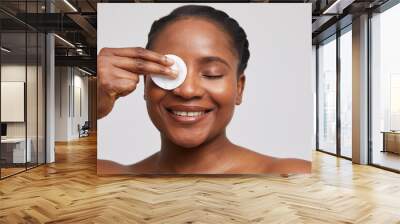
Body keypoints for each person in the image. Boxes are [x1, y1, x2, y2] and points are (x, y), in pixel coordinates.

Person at [97, 5, 311, 174]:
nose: (187, 90)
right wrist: (92, 106)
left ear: (239, 88)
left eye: (212, 73)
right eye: (165, 74)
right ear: (145, 84)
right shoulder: (106, 175)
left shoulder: (291, 175)